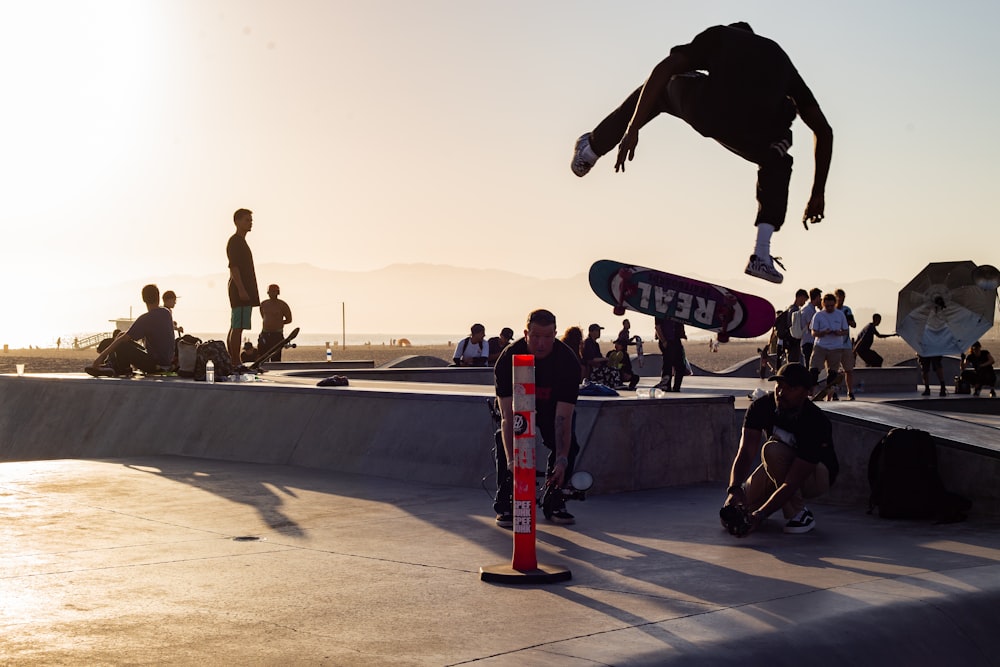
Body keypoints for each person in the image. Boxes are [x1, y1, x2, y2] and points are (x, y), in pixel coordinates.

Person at [571, 22, 833, 284]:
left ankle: (591, 150)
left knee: (661, 85)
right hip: (753, 132)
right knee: (778, 156)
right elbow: (824, 130)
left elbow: (664, 68)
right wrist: (817, 192)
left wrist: (634, 126)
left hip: (706, 110)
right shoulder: (780, 59)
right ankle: (761, 253)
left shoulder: (721, 36)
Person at [723, 363, 839, 536]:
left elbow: (793, 481)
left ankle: (800, 514)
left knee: (772, 450)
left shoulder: (816, 422)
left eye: (790, 388)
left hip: (816, 475)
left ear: (808, 392)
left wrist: (761, 515)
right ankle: (749, 507)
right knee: (734, 511)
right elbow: (746, 451)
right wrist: (734, 489)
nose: (781, 393)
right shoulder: (761, 407)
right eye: (779, 386)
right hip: (779, 468)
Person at [493, 309, 581, 526]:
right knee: (505, 442)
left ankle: (554, 500)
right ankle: (507, 501)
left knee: (569, 448)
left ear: (555, 334)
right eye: (535, 336)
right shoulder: (507, 359)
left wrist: (562, 459)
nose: (541, 343)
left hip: (552, 408)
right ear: (526, 334)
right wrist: (513, 460)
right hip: (517, 409)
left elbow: (564, 418)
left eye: (548, 337)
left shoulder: (567, 362)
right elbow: (506, 415)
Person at [87, 284, 175, 375]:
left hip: (157, 365)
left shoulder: (146, 318)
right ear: (158, 297)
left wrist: (100, 358)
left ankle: (119, 367)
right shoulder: (166, 312)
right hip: (165, 361)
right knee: (121, 335)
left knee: (121, 343)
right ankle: (119, 366)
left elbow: (123, 339)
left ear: (143, 299)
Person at [227, 208, 260, 366]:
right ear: (237, 221)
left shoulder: (242, 242)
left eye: (250, 220)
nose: (250, 222)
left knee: (238, 326)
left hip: (245, 289)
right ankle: (235, 361)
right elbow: (233, 267)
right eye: (247, 220)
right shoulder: (235, 242)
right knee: (237, 326)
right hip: (240, 290)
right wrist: (241, 289)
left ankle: (233, 360)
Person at [808, 293, 848, 396]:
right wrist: (822, 333)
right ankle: (811, 390)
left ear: (835, 304)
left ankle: (830, 392)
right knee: (814, 369)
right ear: (823, 304)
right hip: (821, 345)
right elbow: (813, 332)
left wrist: (839, 333)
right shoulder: (818, 315)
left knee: (833, 372)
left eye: (831, 306)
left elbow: (845, 330)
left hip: (836, 347)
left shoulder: (840, 315)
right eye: (827, 306)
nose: (829, 308)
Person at [258, 284, 293, 362]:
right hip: (265, 333)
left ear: (278, 292)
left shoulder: (282, 304)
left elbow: (289, 319)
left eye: (274, 292)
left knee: (276, 358)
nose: (272, 294)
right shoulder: (264, 304)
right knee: (263, 357)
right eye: (270, 292)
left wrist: (278, 323)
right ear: (268, 293)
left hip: (277, 335)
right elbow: (263, 316)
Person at [834, 288, 858, 399]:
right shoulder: (830, 311)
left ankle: (850, 392)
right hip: (833, 345)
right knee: (833, 370)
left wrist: (847, 320)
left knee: (848, 369)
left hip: (846, 344)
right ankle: (833, 392)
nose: (841, 300)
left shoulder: (847, 310)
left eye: (843, 298)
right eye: (839, 297)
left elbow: (853, 324)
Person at [655, 317, 687, 391]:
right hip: (667, 340)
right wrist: (663, 341)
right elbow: (657, 327)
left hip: (676, 340)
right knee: (668, 364)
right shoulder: (659, 310)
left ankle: (676, 387)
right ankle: (666, 386)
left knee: (680, 365)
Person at [779, 289, 808, 364]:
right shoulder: (795, 311)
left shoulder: (790, 309)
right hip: (793, 342)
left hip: (790, 342)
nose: (804, 303)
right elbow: (793, 327)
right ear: (800, 297)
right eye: (804, 300)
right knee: (796, 363)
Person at [799, 288, 822, 368]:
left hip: (808, 342)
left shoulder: (811, 310)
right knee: (809, 364)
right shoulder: (809, 311)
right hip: (808, 342)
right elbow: (810, 327)